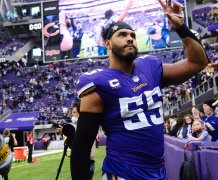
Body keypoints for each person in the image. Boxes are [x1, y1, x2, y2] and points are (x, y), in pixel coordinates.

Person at [70, 0, 208, 179]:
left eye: (132, 36)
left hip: (158, 171)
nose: (130, 38)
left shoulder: (151, 67)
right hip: (123, 173)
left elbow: (198, 62)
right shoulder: (98, 82)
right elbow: (82, 145)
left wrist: (180, 27)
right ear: (107, 44)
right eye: (122, 34)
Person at [71, 103, 97, 180]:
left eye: (74, 112)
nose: (72, 114)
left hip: (86, 161)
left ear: (80, 113)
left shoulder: (85, 126)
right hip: (82, 160)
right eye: (72, 112)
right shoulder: (78, 126)